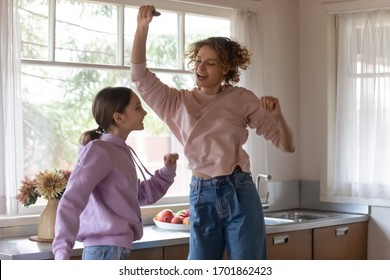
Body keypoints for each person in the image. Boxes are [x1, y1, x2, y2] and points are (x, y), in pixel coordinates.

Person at [131, 6, 295, 260]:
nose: (201, 67)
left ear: (226, 68)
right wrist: (142, 28)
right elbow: (139, 75)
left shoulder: (242, 98)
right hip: (201, 192)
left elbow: (287, 146)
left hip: (239, 190)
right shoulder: (176, 102)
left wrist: (278, 117)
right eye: (198, 61)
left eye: (210, 63)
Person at [52, 86, 179, 260]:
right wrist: (61, 252)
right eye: (137, 108)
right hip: (105, 252)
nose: (144, 113)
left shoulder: (119, 150)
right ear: (118, 117)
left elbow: (140, 195)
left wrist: (167, 172)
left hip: (116, 250)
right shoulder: (99, 151)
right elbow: (71, 200)